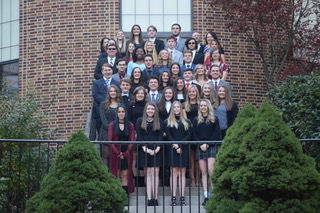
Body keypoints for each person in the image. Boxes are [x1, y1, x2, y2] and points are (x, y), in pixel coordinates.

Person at [193, 99, 221, 206]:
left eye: (205, 105)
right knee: (203, 172)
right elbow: (194, 134)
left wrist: (207, 144)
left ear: (208, 107)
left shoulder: (214, 119)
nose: (203, 107)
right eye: (201, 105)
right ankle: (206, 196)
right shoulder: (196, 120)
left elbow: (216, 134)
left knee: (211, 170)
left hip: (211, 146)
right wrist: (201, 144)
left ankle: (215, 195)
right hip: (200, 146)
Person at [136, 102, 164, 206]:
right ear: (145, 110)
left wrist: (157, 148)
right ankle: (149, 198)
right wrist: (145, 148)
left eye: (152, 109)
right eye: (148, 109)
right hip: (144, 149)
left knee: (156, 173)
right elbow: (139, 135)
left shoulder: (159, 121)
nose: (150, 111)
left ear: (155, 111)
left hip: (157, 149)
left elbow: (160, 136)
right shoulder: (140, 121)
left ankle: (155, 198)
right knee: (148, 173)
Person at [164, 101, 192, 206]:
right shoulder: (167, 121)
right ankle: (173, 198)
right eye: (174, 107)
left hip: (184, 149)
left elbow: (189, 135)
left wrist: (180, 145)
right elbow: (168, 135)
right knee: (173, 174)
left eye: (178, 107)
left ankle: (182, 198)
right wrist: (175, 145)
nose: (176, 109)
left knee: (182, 174)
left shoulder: (187, 122)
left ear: (181, 109)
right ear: (172, 109)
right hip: (172, 149)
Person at [107, 104, 135, 195]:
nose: (121, 113)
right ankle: (116, 195)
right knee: (116, 174)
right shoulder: (112, 125)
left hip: (127, 153)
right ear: (117, 113)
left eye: (123, 112)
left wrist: (125, 153)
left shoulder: (130, 125)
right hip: (115, 153)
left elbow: (132, 140)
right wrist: (118, 153)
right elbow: (109, 141)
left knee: (125, 174)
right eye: (119, 112)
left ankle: (125, 196)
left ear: (125, 113)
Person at [92, 63, 120, 138]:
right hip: (99, 114)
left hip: (113, 115)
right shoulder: (96, 83)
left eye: (109, 70)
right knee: (102, 137)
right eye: (106, 70)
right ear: (102, 72)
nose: (108, 72)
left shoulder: (117, 83)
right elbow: (95, 94)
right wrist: (108, 101)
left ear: (112, 71)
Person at [127, 86, 148, 187]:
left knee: (143, 156)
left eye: (142, 93)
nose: (140, 95)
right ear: (135, 95)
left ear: (144, 95)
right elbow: (129, 120)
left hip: (145, 133)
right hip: (134, 133)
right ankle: (136, 179)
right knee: (134, 157)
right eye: (138, 93)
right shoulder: (131, 106)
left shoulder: (147, 106)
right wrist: (133, 132)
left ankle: (143, 178)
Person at [183, 84, 201, 187]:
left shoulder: (200, 104)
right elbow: (185, 120)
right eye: (190, 92)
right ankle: (192, 180)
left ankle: (198, 179)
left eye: (193, 91)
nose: (191, 93)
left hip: (199, 132)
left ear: (196, 93)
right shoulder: (184, 105)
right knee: (191, 158)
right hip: (189, 132)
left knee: (198, 158)